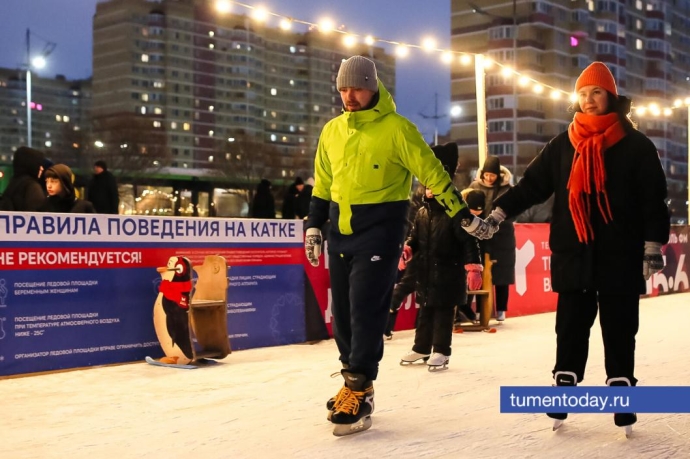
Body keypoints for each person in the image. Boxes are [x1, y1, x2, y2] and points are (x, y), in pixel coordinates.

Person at [303, 56, 494, 436]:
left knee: (365, 309)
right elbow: (323, 184)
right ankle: (354, 383)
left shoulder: (397, 130)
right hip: (341, 232)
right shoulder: (332, 131)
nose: (349, 95)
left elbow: (433, 175)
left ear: (373, 87)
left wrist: (463, 216)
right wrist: (313, 225)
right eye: (343, 88)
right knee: (341, 312)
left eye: (356, 87)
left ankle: (358, 384)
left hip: (380, 231)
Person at [484, 62, 670, 432]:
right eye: (583, 94)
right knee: (570, 325)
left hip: (620, 251)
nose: (588, 100)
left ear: (611, 97)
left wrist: (652, 245)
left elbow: (653, 199)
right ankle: (564, 385)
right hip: (573, 250)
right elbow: (532, 185)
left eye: (596, 93)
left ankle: (621, 392)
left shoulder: (636, 145)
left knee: (619, 327)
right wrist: (498, 212)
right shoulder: (563, 144)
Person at [399, 165, 482, 371]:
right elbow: (415, 237)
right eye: (427, 187)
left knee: (444, 313)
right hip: (426, 271)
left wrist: (473, 268)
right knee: (425, 312)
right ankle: (421, 347)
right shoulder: (421, 213)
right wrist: (408, 248)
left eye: (434, 186)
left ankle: (441, 351)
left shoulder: (455, 211)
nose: (429, 191)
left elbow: (468, 240)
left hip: (449, 272)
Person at [469, 155, 516, 322]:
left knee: (501, 273)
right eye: (486, 175)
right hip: (481, 236)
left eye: (492, 175)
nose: (489, 178)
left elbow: (513, 210)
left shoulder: (506, 189)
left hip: (502, 237)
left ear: (498, 175)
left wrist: (496, 224)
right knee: (480, 272)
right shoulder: (475, 186)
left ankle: (502, 309)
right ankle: (482, 310)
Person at [455, 188, 487, 324]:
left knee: (469, 283)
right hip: (457, 255)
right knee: (459, 282)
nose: (476, 214)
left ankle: (464, 308)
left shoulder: (482, 219)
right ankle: (460, 310)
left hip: (470, 255)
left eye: (479, 212)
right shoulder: (459, 214)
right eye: (474, 212)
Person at [0, 146, 46, 212]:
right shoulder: (32, 187)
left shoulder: (13, 183)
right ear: (31, 164)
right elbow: (37, 218)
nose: (41, 168)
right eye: (38, 164)